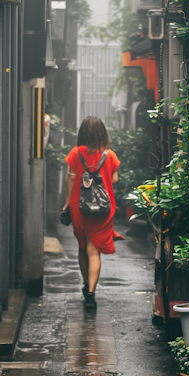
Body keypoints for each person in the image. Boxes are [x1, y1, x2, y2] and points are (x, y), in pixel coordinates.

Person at [63, 116, 120, 310]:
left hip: (79, 208)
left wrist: (67, 202)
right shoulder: (110, 155)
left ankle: (86, 284)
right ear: (102, 133)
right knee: (94, 251)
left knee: (82, 248)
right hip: (103, 210)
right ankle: (91, 293)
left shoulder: (75, 153)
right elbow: (114, 180)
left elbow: (71, 180)